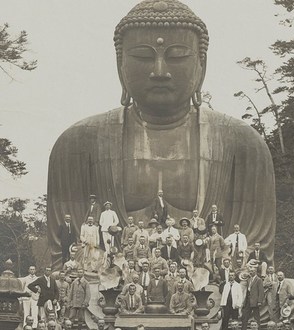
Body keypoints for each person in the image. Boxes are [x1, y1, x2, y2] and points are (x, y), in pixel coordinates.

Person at [47, 0, 276, 270]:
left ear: (202, 64)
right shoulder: (76, 144)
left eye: (177, 56)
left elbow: (252, 254)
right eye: (143, 57)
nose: (159, 71)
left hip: (206, 288)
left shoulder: (243, 144)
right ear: (120, 64)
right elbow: (68, 252)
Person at [21, 265, 38, 329]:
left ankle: (34, 326)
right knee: (26, 312)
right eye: (31, 269)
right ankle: (25, 326)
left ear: (35, 270)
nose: (32, 270)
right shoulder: (25, 279)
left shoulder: (37, 279)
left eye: (33, 269)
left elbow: (39, 289)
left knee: (35, 312)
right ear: (28, 270)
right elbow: (22, 288)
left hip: (34, 297)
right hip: (26, 297)